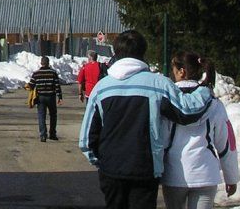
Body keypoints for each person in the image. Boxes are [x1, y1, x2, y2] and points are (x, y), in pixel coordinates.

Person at [79, 30, 215, 209]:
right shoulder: (158, 84)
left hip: (111, 169)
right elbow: (187, 111)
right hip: (145, 169)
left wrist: (100, 161)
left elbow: (86, 139)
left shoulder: (101, 88)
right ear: (143, 52)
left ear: (116, 52)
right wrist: (205, 89)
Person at [160, 51, 239, 209]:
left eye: (174, 70)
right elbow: (226, 143)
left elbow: (161, 140)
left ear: (181, 72)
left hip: (174, 174)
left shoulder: (167, 103)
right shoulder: (214, 103)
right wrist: (231, 177)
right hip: (206, 174)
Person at [26, 55, 62, 141]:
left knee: (41, 116)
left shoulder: (36, 73)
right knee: (53, 115)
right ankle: (52, 134)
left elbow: (31, 85)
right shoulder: (53, 73)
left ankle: (43, 135)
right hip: (51, 97)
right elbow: (57, 86)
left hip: (40, 97)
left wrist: (27, 86)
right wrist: (59, 97)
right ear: (48, 63)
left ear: (41, 63)